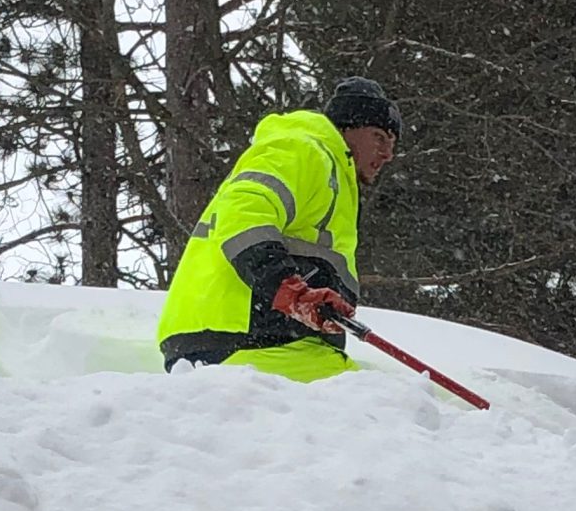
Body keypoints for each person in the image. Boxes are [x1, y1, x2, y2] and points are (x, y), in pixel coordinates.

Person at [157, 78, 400, 380]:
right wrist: (289, 290)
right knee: (391, 413)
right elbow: (244, 212)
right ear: (346, 128)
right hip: (249, 337)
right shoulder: (305, 149)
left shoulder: (333, 177)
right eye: (379, 137)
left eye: (392, 144)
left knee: (387, 405)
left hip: (253, 339)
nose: (387, 153)